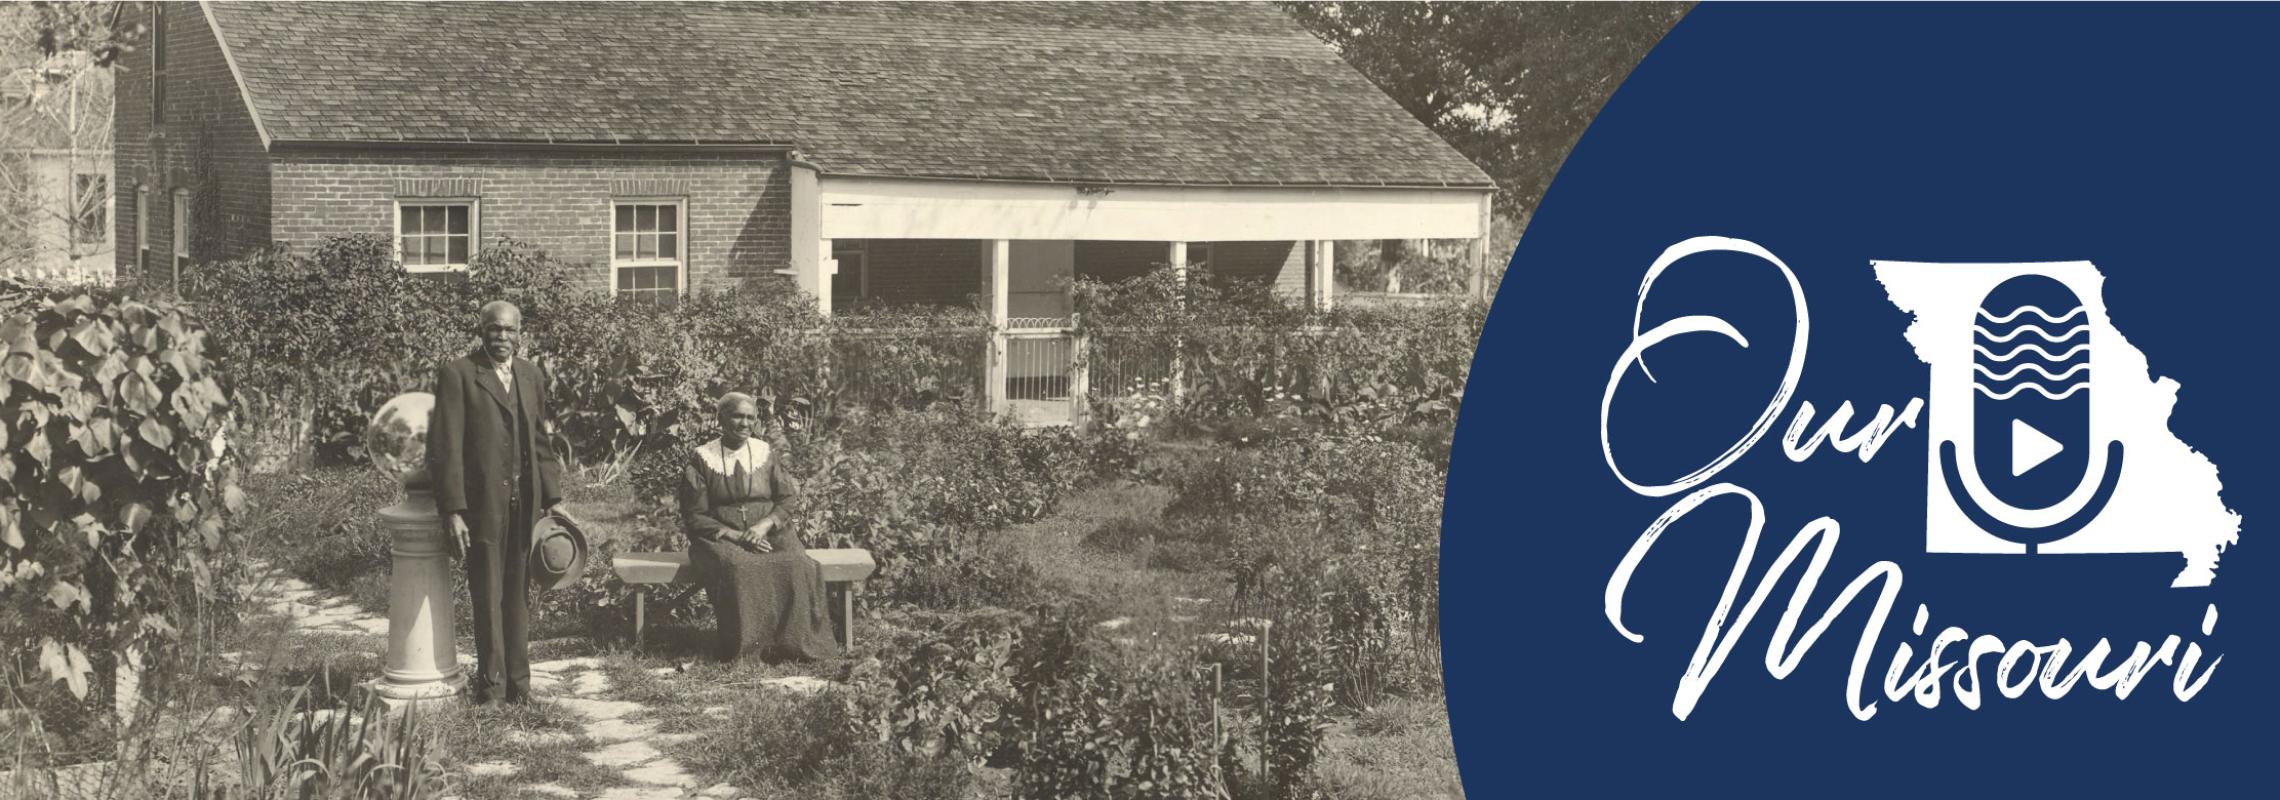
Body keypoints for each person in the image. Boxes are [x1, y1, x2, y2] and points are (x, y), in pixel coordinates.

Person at [428, 300, 562, 705]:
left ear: (521, 334)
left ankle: (520, 687)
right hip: (482, 505)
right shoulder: (460, 374)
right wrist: (453, 510)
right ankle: (491, 689)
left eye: (509, 330)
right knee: (487, 594)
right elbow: (445, 447)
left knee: (518, 595)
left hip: (526, 503)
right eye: (494, 329)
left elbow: (540, 440)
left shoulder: (530, 375)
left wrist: (552, 499)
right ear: (481, 330)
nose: (501, 337)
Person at [678, 393, 840, 663]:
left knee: (798, 564)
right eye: (737, 416)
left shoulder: (765, 453)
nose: (744, 423)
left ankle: (794, 646)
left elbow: (787, 499)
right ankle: (752, 648)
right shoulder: (703, 458)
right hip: (719, 536)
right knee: (741, 567)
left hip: (769, 530)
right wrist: (738, 535)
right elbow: (695, 515)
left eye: (750, 417)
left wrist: (764, 525)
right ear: (721, 419)